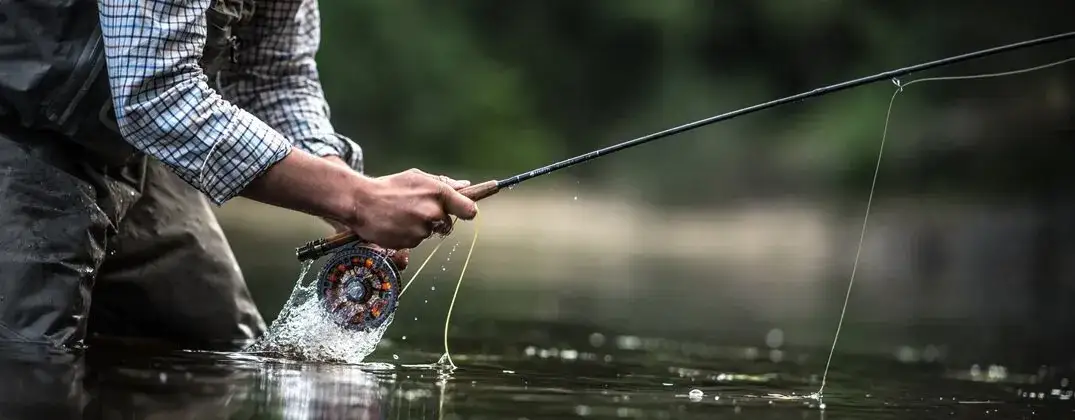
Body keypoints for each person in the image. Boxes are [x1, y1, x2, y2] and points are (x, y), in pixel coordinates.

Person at [0, 0, 477, 352]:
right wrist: (355, 200)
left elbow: (274, 77)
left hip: (129, 146)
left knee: (227, 346)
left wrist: (348, 192)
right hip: (18, 126)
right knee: (32, 362)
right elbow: (156, 98)